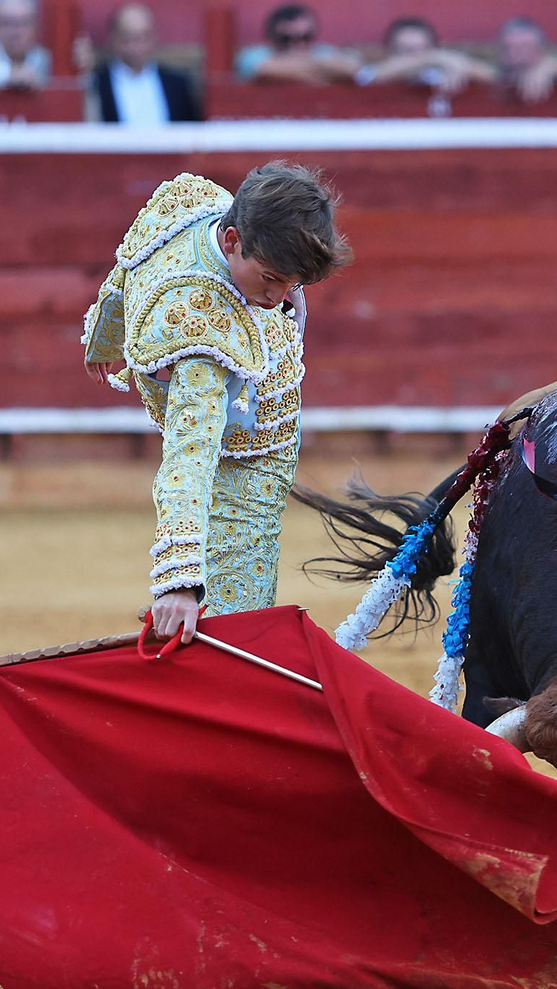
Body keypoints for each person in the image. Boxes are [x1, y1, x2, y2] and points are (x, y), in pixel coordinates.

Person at [81, 163, 352, 642]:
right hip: (241, 468)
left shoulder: (191, 204)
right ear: (231, 241)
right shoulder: (206, 331)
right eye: (270, 278)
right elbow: (191, 455)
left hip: (250, 439)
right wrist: (180, 582)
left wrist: (105, 337)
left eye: (291, 284)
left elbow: (129, 264)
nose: (278, 297)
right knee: (233, 633)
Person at [88, 3, 202, 123]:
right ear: (113, 38)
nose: (137, 47)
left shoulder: (178, 86)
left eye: (144, 37)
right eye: (128, 38)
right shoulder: (96, 84)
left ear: (155, 36)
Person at [355, 16, 496, 93]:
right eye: (405, 51)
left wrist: (453, 63)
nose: (414, 58)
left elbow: (495, 77)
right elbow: (369, 76)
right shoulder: (380, 71)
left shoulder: (440, 70)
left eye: (420, 50)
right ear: (389, 52)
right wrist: (428, 58)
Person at [236, 5, 360, 85]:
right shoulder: (254, 54)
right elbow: (264, 70)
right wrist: (321, 73)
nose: (298, 45)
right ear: (271, 38)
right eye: (286, 39)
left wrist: (294, 72)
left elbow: (353, 69)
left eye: (305, 38)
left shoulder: (323, 51)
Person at [496, 17, 557, 104]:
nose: (518, 56)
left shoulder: (556, 68)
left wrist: (553, 66)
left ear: (542, 50)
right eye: (509, 48)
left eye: (526, 48)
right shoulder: (496, 75)